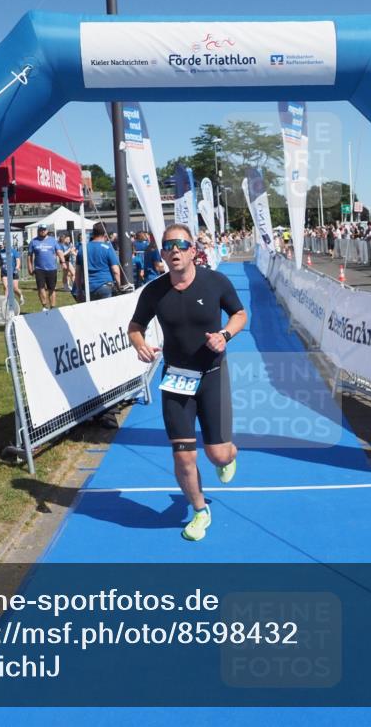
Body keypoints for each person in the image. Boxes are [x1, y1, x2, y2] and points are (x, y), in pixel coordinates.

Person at [127, 224, 248, 542]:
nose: (175, 250)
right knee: (183, 456)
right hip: (176, 379)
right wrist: (139, 343)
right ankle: (199, 511)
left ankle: (228, 454)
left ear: (193, 250)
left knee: (218, 455)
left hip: (212, 376)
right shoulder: (153, 291)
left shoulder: (215, 282)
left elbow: (239, 314)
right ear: (162, 253)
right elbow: (135, 326)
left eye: (181, 244)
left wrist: (224, 335)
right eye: (168, 246)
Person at [79, 222, 122, 302]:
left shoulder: (82, 248)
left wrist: (79, 291)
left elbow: (78, 272)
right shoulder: (108, 248)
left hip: (88, 287)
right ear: (105, 234)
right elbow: (116, 271)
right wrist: (120, 288)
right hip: (105, 286)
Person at [27, 225, 65, 310]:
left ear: (47, 230)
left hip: (52, 268)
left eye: (44, 230)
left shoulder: (53, 241)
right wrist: (30, 267)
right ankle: (44, 306)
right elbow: (29, 256)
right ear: (38, 231)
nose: (43, 231)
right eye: (41, 230)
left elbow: (59, 251)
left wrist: (63, 262)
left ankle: (53, 307)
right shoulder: (33, 241)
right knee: (41, 288)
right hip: (39, 269)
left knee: (52, 289)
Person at [0, 240, 24, 307]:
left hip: (13, 272)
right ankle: (5, 303)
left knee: (15, 288)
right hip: (4, 272)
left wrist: (17, 267)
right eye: (4, 244)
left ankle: (20, 295)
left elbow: (18, 260)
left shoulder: (14, 251)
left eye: (7, 244)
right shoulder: (1, 252)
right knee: (6, 287)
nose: (5, 245)